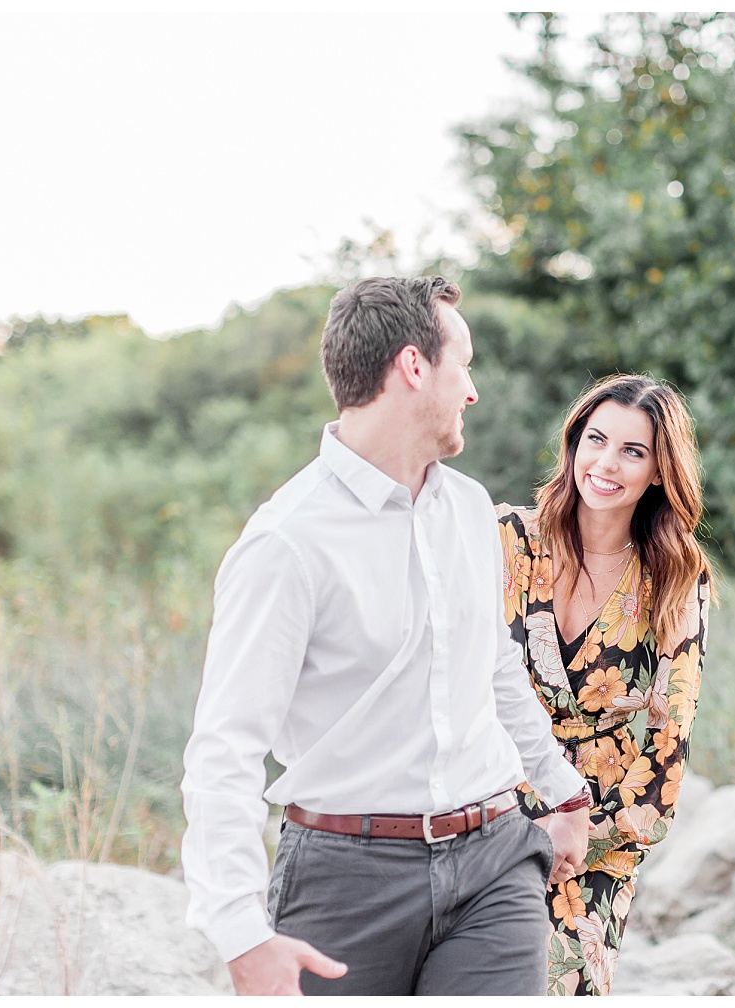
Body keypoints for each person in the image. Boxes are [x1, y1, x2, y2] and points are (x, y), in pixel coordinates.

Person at [180, 275, 593, 996]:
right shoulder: (286, 542)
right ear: (412, 367)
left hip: (495, 860)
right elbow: (225, 747)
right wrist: (241, 933)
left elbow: (492, 668)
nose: (471, 391)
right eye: (461, 365)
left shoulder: (467, 509)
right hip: (344, 880)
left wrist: (561, 794)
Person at [495, 374, 713, 996]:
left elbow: (671, 731)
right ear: (572, 445)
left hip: (597, 828)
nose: (606, 464)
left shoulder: (673, 575)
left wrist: (587, 835)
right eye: (596, 440)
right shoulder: (506, 538)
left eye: (633, 452)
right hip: (486, 806)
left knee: (564, 985)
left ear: (660, 472)